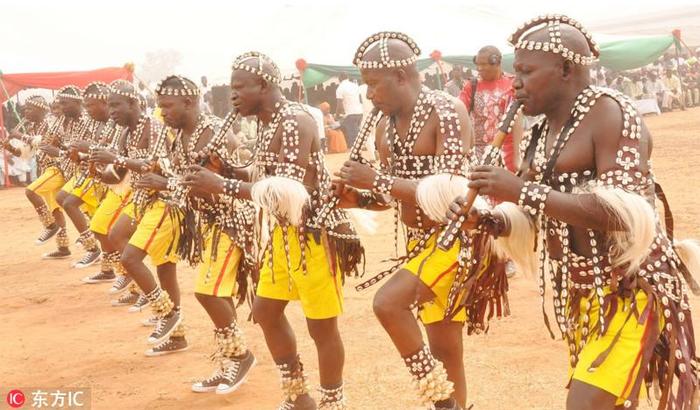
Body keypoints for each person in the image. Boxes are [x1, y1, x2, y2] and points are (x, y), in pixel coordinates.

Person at [448, 14, 700, 409]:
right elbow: (538, 216)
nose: (516, 82)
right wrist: (491, 220)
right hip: (582, 296)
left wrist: (519, 189)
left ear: (566, 69)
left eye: (527, 72)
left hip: (631, 291)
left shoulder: (611, 113)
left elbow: (624, 213)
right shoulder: (540, 129)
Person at [335, 31, 506, 410]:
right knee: (444, 348)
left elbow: (448, 192)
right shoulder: (383, 123)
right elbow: (391, 194)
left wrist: (374, 180)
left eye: (374, 84)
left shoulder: (445, 110)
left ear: (400, 76)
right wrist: (358, 199)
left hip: (455, 240)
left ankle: (443, 402)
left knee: (388, 304)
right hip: (418, 242)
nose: (369, 95)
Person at [184, 51, 363, 409]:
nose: (232, 95)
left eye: (239, 87)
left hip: (313, 234)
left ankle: (332, 402)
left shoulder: (295, 121)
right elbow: (266, 177)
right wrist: (229, 172)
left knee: (321, 328)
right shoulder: (269, 121)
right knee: (265, 311)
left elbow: (288, 191)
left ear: (263, 85)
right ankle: (298, 396)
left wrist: (221, 185)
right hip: (282, 237)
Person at [56, 82, 111, 270]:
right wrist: (76, 154)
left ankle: (98, 254)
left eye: (64, 104)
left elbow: (110, 152)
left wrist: (85, 152)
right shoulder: (83, 121)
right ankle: (103, 261)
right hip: (87, 172)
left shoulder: (106, 122)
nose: (61, 108)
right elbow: (79, 147)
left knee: (103, 224)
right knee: (67, 201)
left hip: (108, 178)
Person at [33, 85, 89, 260]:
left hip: (68, 170)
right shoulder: (66, 122)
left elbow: (84, 152)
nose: (60, 109)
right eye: (57, 106)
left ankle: (53, 227)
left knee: (86, 211)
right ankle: (64, 246)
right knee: (58, 205)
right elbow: (23, 152)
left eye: (63, 104)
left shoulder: (84, 122)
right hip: (66, 170)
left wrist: (57, 150)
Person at [459, 46, 522, 173]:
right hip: (479, 152)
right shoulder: (471, 86)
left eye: (483, 64)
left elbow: (519, 119)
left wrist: (517, 154)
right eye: (477, 64)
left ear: (496, 62)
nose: (479, 68)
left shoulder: (513, 83)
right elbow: (459, 112)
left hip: (508, 151)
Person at [335, 72, 363, 147]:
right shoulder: (355, 86)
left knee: (352, 135)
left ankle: (355, 152)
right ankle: (360, 147)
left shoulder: (340, 88)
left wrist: (337, 116)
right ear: (347, 77)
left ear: (339, 78)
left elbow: (339, 104)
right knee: (357, 132)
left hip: (350, 114)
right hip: (360, 112)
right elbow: (360, 99)